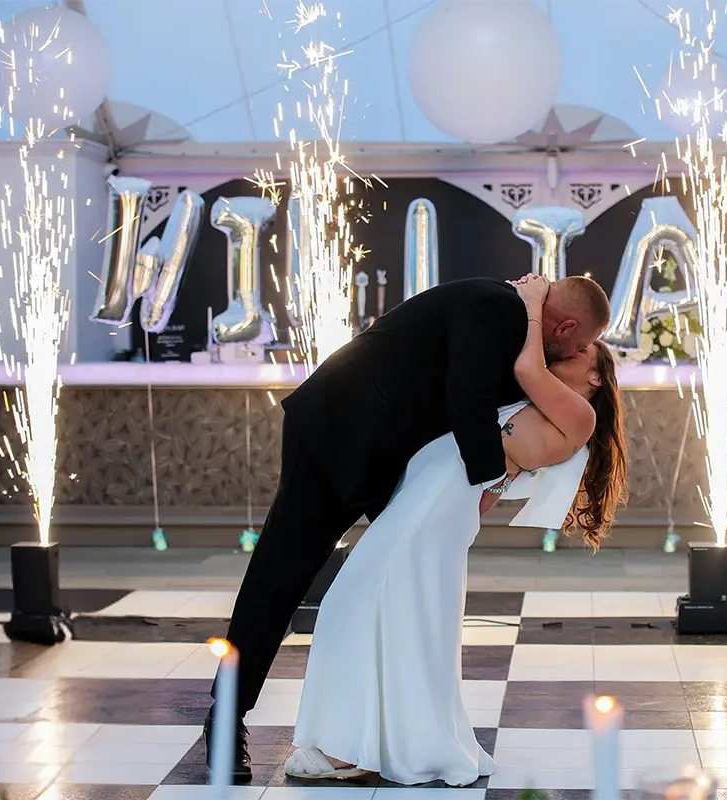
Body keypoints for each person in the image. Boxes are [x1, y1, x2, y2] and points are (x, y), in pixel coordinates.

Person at [205, 274, 612, 782]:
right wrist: (483, 490)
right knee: (280, 579)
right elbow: (467, 399)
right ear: (567, 326)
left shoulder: (524, 331)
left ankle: (387, 735)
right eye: (577, 345)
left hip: (398, 465)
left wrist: (481, 494)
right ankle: (227, 720)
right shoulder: (497, 307)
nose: (572, 354)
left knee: (401, 597)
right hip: (339, 436)